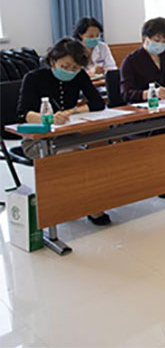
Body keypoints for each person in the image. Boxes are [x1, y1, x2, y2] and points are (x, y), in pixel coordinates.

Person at [17, 38, 110, 226]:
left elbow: (97, 103)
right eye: (65, 66)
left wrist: (72, 111)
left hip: (69, 135)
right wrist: (48, 118)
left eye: (75, 68)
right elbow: (22, 113)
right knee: (73, 158)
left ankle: (86, 202)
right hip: (38, 139)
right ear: (53, 61)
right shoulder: (34, 78)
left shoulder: (79, 76)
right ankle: (87, 206)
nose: (70, 71)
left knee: (95, 154)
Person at [120, 17, 165, 104]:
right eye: (156, 40)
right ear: (145, 38)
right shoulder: (131, 61)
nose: (160, 44)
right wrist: (151, 93)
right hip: (143, 107)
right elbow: (126, 94)